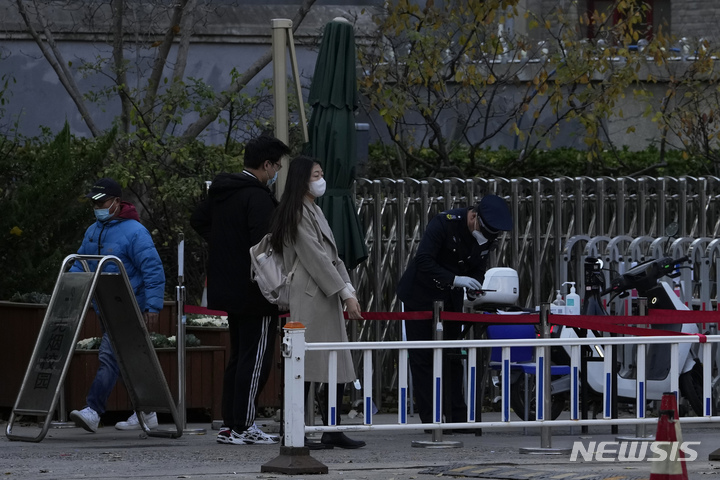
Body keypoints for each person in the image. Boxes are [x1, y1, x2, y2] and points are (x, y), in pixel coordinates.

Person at [190, 134, 291, 445]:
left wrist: (224, 245)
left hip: (228, 286)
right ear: (266, 164)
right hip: (256, 291)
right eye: (276, 165)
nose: (276, 172)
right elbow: (266, 243)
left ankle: (230, 423)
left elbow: (198, 220)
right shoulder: (257, 197)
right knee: (255, 357)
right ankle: (243, 425)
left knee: (238, 356)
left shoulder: (223, 192)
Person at [268, 156, 366, 449]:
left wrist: (346, 289)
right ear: (303, 179)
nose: (321, 179)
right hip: (311, 294)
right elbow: (316, 258)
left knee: (330, 361)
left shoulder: (310, 209)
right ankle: (295, 429)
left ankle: (331, 428)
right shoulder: (298, 212)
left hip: (322, 293)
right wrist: (345, 292)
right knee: (306, 364)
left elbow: (330, 257)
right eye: (316, 174)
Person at [396, 195, 512, 428]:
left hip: (450, 300)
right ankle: (431, 420)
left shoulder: (487, 236)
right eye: (485, 231)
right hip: (420, 296)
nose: (488, 238)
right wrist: (456, 279)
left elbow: (479, 265)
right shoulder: (444, 222)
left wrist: (474, 287)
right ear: (474, 216)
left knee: (453, 357)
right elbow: (424, 260)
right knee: (423, 359)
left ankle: (457, 417)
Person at [69, 178, 166, 432]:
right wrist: (68, 284)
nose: (97, 207)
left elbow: (153, 269)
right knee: (123, 361)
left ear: (115, 202)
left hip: (128, 305)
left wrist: (153, 307)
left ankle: (93, 410)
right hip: (106, 305)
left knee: (109, 358)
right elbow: (82, 262)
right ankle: (146, 411)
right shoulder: (93, 230)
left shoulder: (135, 231)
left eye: (101, 202)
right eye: (94, 203)